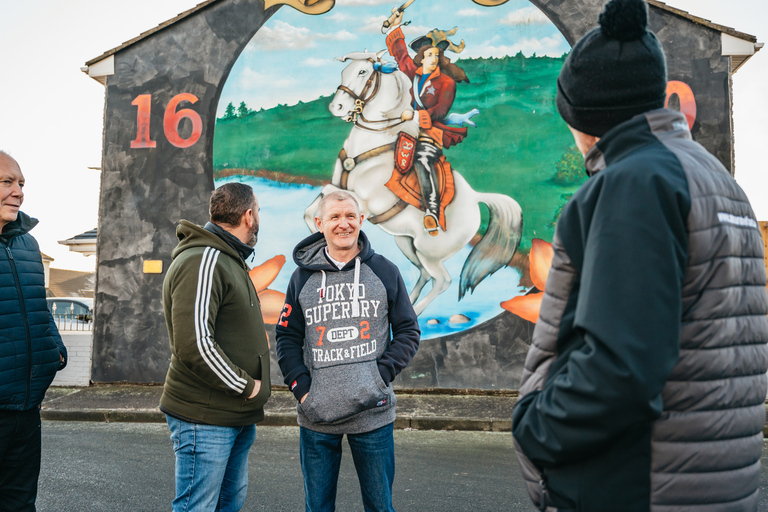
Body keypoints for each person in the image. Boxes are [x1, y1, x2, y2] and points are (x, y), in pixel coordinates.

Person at [511, 0, 768, 510]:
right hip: (710, 480)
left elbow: (619, 367)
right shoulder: (716, 179)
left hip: (642, 484)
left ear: (581, 113)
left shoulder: (635, 183)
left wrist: (537, 430)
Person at [276, 190, 420, 512]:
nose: (344, 224)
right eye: (335, 217)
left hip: (373, 413)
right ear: (320, 223)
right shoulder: (302, 278)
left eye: (350, 216)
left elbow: (409, 330)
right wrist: (302, 389)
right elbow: (286, 336)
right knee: (318, 507)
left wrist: (378, 377)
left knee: (380, 507)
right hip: (317, 416)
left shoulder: (385, 271)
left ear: (361, 220)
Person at [160, 182, 271, 512]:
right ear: (249, 216)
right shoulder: (205, 260)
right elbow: (194, 343)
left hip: (233, 416)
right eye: (259, 211)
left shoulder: (228, 259)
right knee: (198, 507)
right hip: (206, 418)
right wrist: (247, 386)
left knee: (226, 505)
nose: (258, 218)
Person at [0, 150, 68, 512]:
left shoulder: (28, 244)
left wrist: (53, 347)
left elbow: (39, 304)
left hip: (27, 407)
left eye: (21, 183)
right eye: (7, 182)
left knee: (21, 502)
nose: (18, 192)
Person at [385, 14, 469, 235]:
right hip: (405, 129)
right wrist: (395, 26)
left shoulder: (447, 82)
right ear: (421, 59)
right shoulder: (412, 74)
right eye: (429, 55)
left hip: (430, 133)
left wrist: (414, 116)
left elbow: (440, 111)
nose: (434, 58)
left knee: (422, 159)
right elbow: (402, 56)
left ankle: (431, 210)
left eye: (437, 55)